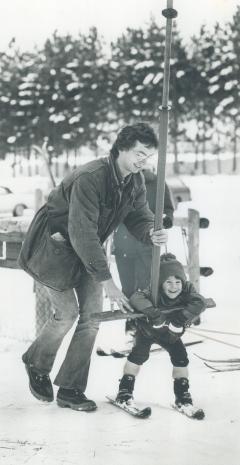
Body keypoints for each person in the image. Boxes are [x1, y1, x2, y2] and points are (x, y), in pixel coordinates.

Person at [18, 122, 168, 412]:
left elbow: (139, 215)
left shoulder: (134, 181)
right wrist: (107, 280)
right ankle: (36, 363)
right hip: (54, 248)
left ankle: (70, 390)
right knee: (67, 314)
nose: (142, 161)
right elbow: (82, 232)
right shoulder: (90, 177)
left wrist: (150, 231)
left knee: (93, 317)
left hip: (87, 251)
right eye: (139, 153)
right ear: (121, 148)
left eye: (147, 156)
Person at [112, 253, 206, 411]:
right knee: (138, 357)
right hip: (147, 331)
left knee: (181, 358)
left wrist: (180, 319)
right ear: (160, 282)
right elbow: (136, 298)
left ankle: (182, 395)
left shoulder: (187, 288)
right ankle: (125, 391)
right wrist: (155, 315)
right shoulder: (151, 289)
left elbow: (200, 302)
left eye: (177, 282)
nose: (174, 286)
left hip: (170, 333)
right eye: (168, 282)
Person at [113, 167, 175, 301]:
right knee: (144, 286)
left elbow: (167, 209)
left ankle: (135, 319)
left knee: (134, 287)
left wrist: (162, 221)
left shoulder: (158, 183)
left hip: (139, 242)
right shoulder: (122, 182)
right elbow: (169, 210)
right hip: (136, 241)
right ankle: (142, 318)